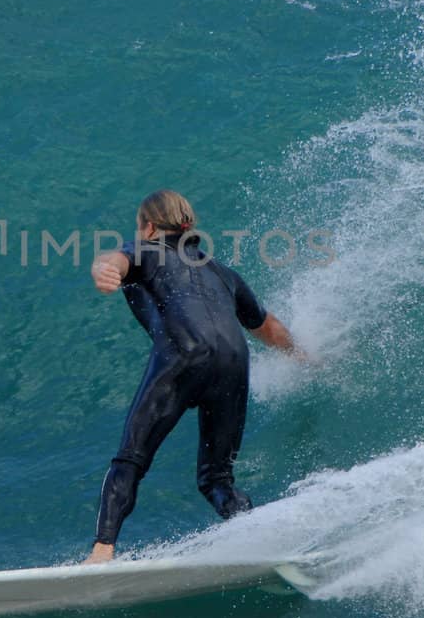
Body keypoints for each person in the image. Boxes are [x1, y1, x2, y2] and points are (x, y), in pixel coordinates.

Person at [83, 189, 303, 564]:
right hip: (235, 361)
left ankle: (102, 552)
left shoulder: (145, 250)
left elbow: (117, 259)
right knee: (217, 480)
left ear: (149, 227)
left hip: (183, 355)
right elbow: (267, 327)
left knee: (130, 460)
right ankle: (261, 543)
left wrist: (104, 269)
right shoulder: (223, 272)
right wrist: (304, 357)